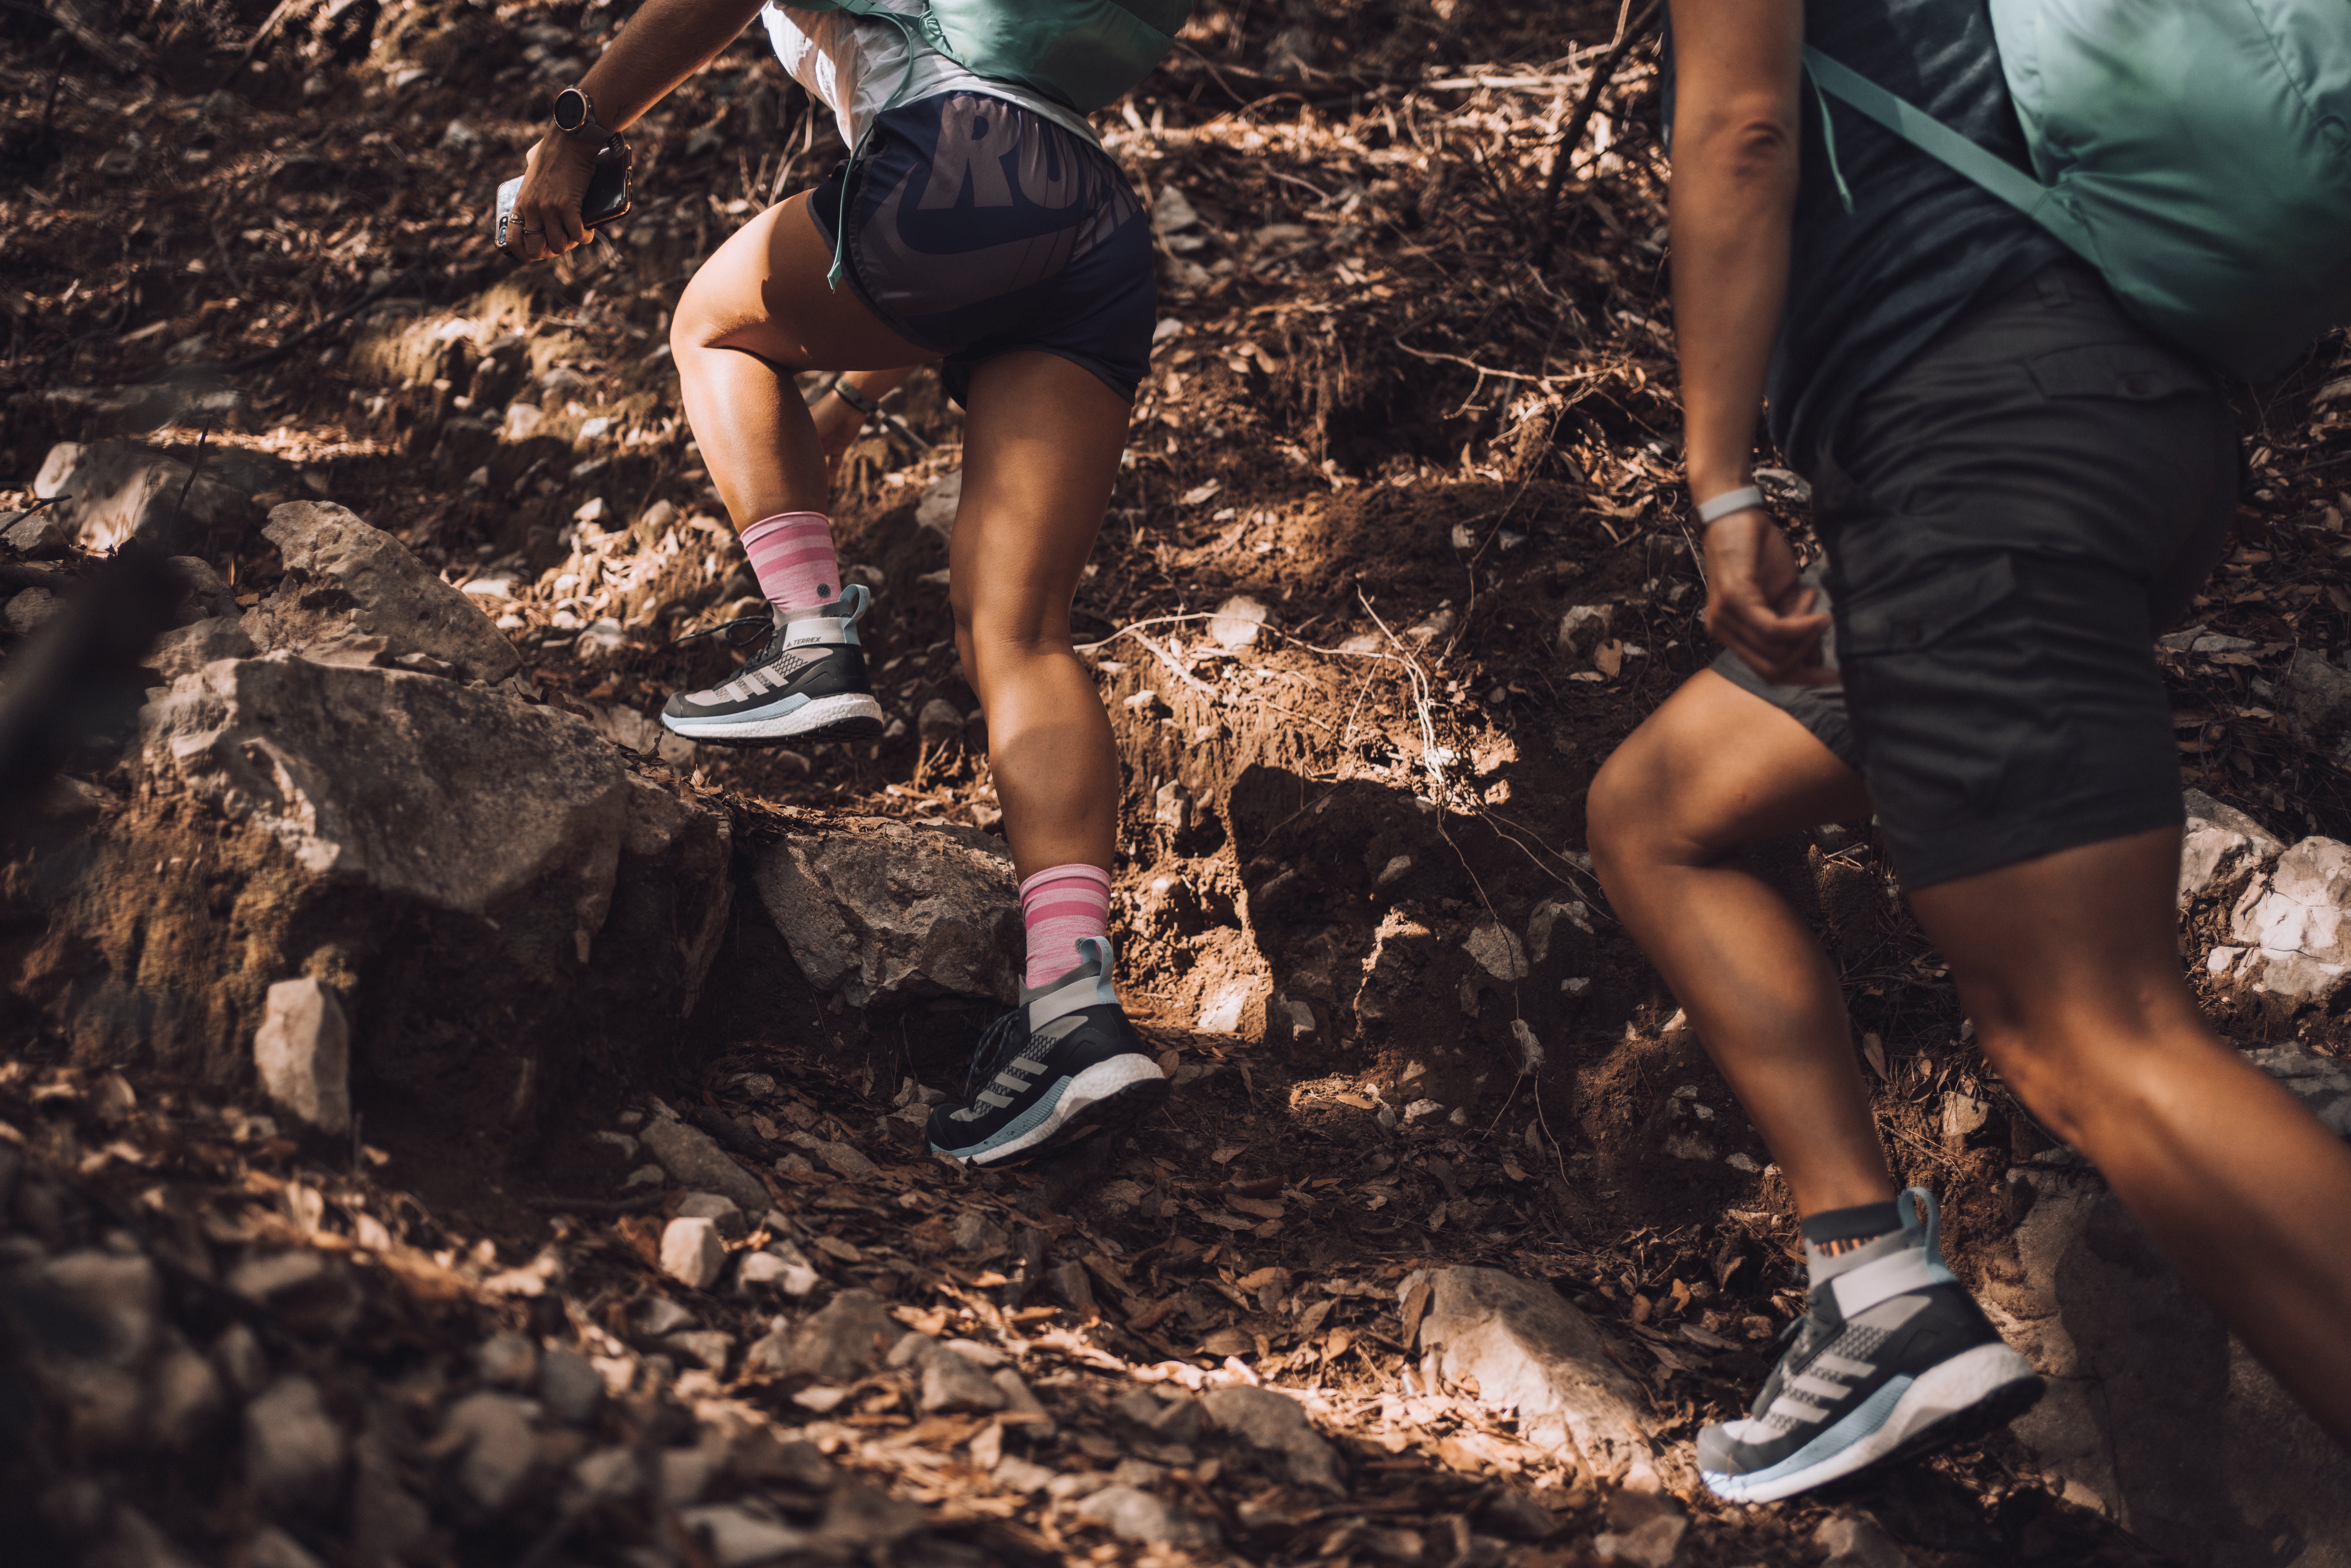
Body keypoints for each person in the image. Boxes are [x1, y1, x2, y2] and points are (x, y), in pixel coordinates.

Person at [1586, 0, 2351, 1503]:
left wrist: (1718, 482)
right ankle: (1872, 1291)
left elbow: (1738, 129)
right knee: (1659, 813)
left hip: (1978, 456)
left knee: (2090, 1034)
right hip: (2115, 434)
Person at [507, 0, 1168, 1167]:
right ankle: (1074, 1008)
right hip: (1090, 219)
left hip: (962, 167)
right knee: (1020, 633)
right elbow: (981, 238)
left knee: (712, 327)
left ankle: (812, 633)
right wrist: (853, 398)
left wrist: (580, 124)